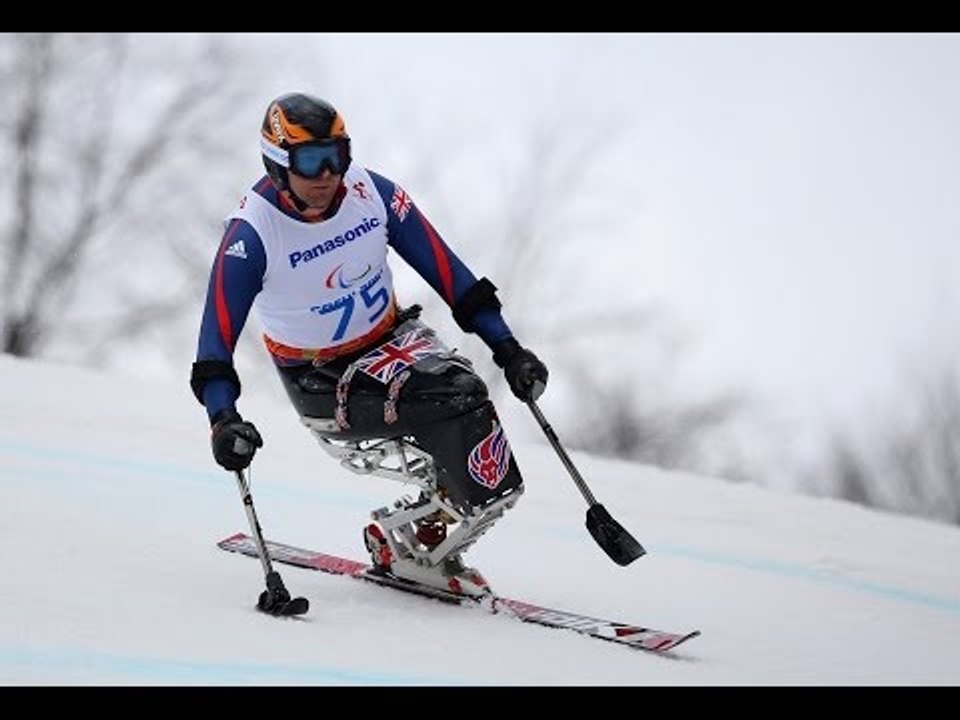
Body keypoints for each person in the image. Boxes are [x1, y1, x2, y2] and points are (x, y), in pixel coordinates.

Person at [191, 93, 548, 598]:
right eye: (311, 160)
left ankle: (423, 535)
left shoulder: (372, 193)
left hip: (394, 339)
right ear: (277, 163)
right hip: (321, 375)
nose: (327, 174)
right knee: (454, 397)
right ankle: (416, 538)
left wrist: (510, 350)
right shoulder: (251, 235)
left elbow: (455, 280)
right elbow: (212, 352)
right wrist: (222, 420)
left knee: (470, 403)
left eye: (338, 154)